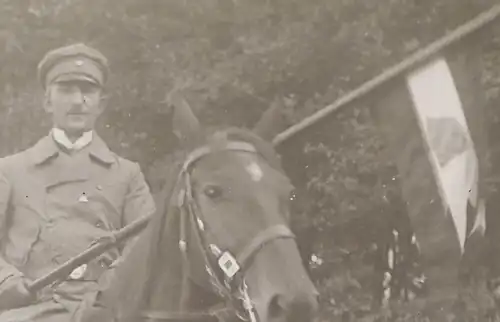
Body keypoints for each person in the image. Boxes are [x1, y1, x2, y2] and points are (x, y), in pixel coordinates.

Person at [0, 43, 156, 321]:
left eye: (87, 91)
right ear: (47, 101)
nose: (77, 100)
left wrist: (109, 291)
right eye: (66, 90)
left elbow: (145, 249)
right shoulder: (10, 171)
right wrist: (8, 282)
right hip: (29, 311)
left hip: (107, 312)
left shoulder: (127, 174)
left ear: (101, 103)